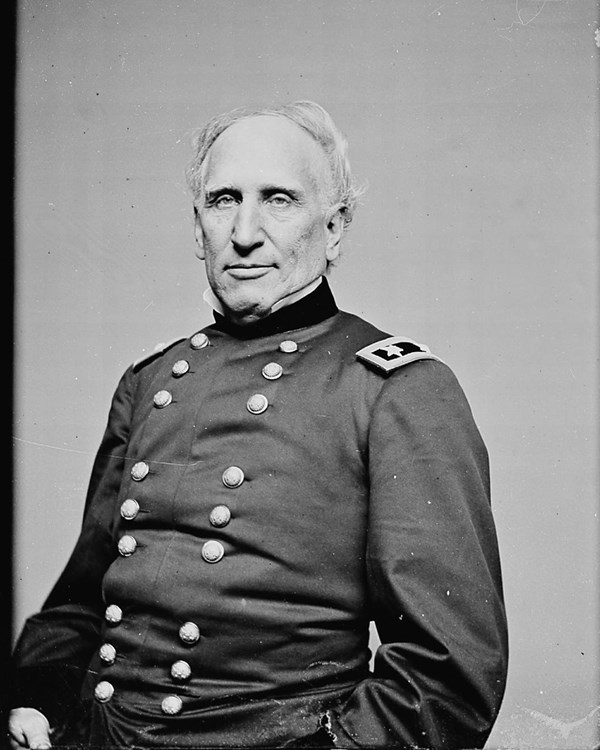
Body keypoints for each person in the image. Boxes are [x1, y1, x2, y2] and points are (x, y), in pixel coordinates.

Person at [9, 101, 508, 749]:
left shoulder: (395, 389)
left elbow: (447, 674)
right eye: (222, 201)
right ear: (197, 230)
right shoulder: (151, 381)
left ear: (334, 229)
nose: (244, 231)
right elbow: (80, 600)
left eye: (278, 200)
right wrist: (33, 702)